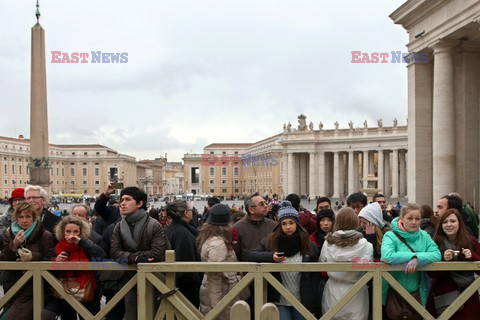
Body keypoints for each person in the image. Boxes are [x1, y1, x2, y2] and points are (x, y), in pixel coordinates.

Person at [247, 201, 321, 319]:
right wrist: (271, 257)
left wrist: (314, 301)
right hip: (279, 301)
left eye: (291, 223)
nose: (288, 227)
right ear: (279, 226)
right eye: (284, 223)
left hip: (303, 301)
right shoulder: (270, 242)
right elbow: (251, 256)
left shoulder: (309, 245)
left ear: (297, 224)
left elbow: (315, 278)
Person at [110, 187, 168, 320]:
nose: (122, 203)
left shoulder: (154, 225)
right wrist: (137, 257)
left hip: (154, 281)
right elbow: (114, 251)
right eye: (122, 200)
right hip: (130, 280)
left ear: (139, 203)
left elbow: (158, 252)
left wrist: (128, 257)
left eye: (127, 199)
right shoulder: (119, 226)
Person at [381, 203, 441, 314]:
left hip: (418, 292)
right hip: (392, 292)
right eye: (410, 218)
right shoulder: (390, 235)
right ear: (402, 218)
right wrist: (413, 256)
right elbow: (387, 256)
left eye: (417, 219)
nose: (414, 222)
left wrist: (417, 259)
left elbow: (436, 254)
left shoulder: (425, 236)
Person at [42, 215, 106, 320]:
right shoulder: (57, 248)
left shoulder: (86, 244)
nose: (72, 235)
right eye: (68, 231)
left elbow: (102, 256)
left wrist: (82, 242)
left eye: (76, 232)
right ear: (62, 232)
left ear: (81, 232)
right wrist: (55, 261)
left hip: (87, 293)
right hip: (63, 292)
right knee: (47, 314)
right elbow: (47, 272)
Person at [1, 202, 54, 320]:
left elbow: (50, 260)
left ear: (34, 217)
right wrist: (14, 245)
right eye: (21, 217)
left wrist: (33, 257)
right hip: (13, 286)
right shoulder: (9, 233)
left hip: (35, 288)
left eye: (28, 217)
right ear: (16, 218)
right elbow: (5, 259)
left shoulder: (46, 235)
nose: (24, 220)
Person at [320, 207, 373, 320]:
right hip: (357, 289)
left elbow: (321, 262)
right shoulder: (366, 245)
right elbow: (367, 266)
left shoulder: (328, 243)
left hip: (333, 288)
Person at [429, 208, 480, 318]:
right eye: (445, 222)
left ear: (459, 223)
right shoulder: (435, 242)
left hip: (469, 296)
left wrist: (472, 256)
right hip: (443, 296)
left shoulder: (471, 241)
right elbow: (430, 273)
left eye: (452, 221)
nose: (449, 225)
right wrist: (443, 260)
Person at [198, 204, 241, 319]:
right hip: (222, 295)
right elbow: (214, 276)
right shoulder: (218, 244)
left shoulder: (212, 239)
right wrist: (216, 307)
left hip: (222, 292)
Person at [164, 199, 202, 307]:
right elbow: (187, 269)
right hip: (183, 289)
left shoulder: (169, 229)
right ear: (186, 213)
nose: (192, 212)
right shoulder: (183, 234)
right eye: (191, 210)